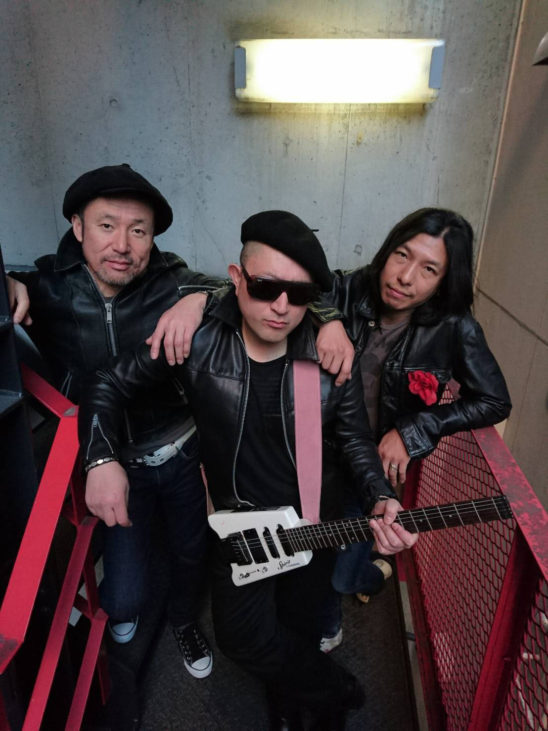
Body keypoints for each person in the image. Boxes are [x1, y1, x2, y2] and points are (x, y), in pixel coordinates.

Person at [77, 209, 419, 729]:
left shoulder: (327, 352)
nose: (281, 306)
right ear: (237, 279)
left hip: (312, 524)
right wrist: (101, 458)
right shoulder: (197, 341)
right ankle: (336, 690)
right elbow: (108, 382)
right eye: (264, 287)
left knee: (299, 628)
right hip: (238, 527)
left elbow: (354, 439)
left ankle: (294, 711)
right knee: (240, 637)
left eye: (298, 295)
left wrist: (380, 496)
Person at [7, 163, 225, 679]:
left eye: (138, 231)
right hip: (110, 459)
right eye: (107, 226)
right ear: (78, 226)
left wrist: (199, 300)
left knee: (192, 549)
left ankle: (183, 620)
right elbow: (14, 283)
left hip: (179, 449)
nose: (122, 245)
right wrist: (8, 283)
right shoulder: (49, 287)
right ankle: (126, 599)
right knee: (122, 598)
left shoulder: (172, 282)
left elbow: (235, 288)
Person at [313, 207, 512, 648]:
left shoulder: (454, 326)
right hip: (316, 451)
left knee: (343, 571)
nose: (405, 277)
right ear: (387, 251)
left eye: (428, 269)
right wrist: (327, 319)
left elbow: (494, 400)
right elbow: (301, 288)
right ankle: (328, 622)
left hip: (370, 468)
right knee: (310, 553)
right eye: (402, 255)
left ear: (444, 280)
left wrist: (415, 429)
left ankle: (371, 575)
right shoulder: (348, 289)